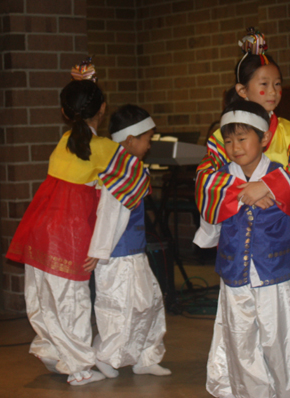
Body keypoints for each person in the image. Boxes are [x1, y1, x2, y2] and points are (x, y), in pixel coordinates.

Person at [6, 60, 151, 386]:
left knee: (44, 295)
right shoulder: (106, 150)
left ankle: (53, 351)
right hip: (69, 234)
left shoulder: (64, 143)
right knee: (71, 299)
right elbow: (132, 186)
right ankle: (79, 367)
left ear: (64, 111)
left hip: (39, 229)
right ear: (102, 108)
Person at [195, 28, 290, 396]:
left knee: (284, 325)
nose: (273, 93)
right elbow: (207, 176)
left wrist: (268, 186)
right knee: (243, 330)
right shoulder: (225, 134)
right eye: (263, 85)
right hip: (240, 246)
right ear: (242, 90)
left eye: (277, 85)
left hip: (284, 240)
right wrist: (247, 191)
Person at [87, 104, 171, 378]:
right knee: (120, 307)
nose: (149, 145)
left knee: (149, 302)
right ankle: (106, 355)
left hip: (134, 252)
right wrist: (99, 251)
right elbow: (109, 216)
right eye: (147, 139)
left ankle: (146, 356)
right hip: (116, 255)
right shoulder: (119, 173)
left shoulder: (132, 169)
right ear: (131, 140)